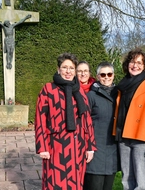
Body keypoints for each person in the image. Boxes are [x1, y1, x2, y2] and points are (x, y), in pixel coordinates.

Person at [35, 52, 96, 190]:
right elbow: (40, 118)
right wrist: (42, 146)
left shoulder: (79, 91)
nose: (68, 71)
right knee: (55, 182)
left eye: (71, 68)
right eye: (64, 67)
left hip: (78, 147)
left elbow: (87, 119)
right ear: (58, 69)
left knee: (75, 183)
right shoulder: (48, 89)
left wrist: (90, 146)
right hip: (56, 145)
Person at [113, 48, 145, 190]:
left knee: (142, 183)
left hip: (142, 140)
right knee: (126, 179)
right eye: (132, 62)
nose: (135, 65)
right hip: (123, 138)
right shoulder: (121, 86)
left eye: (139, 63)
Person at [84, 62, 119, 190]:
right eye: (102, 74)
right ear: (98, 76)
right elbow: (84, 123)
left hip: (112, 150)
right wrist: (89, 147)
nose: (106, 77)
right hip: (96, 150)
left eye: (109, 74)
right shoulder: (91, 96)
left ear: (113, 75)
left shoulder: (119, 95)